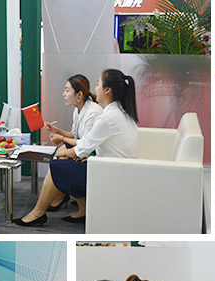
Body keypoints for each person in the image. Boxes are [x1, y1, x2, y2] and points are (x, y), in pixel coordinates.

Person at [14, 69, 139, 226]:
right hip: (113, 168)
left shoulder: (105, 118)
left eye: (98, 84)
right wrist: (66, 143)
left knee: (56, 164)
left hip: (108, 173)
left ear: (107, 90)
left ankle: (39, 212)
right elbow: (87, 142)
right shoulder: (121, 113)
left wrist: (64, 150)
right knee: (64, 158)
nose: (95, 89)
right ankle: (67, 204)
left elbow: (82, 148)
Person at [36, 74, 104, 213]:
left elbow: (85, 143)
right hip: (85, 150)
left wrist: (61, 138)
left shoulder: (93, 112)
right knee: (60, 154)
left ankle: (55, 201)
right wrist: (57, 131)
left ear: (79, 94)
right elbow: (75, 135)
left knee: (60, 156)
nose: (63, 94)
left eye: (67, 90)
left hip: (93, 156)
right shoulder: (78, 109)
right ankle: (62, 197)